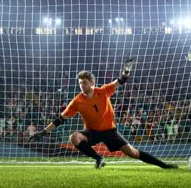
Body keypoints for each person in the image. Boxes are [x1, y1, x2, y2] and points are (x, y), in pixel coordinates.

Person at [29, 59, 178, 170]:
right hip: (92, 132)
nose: (82, 85)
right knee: (74, 137)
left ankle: (164, 165)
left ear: (92, 83)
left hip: (109, 131)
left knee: (132, 152)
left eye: (85, 82)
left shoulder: (103, 91)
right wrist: (43, 133)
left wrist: (126, 69)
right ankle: (99, 158)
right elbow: (60, 119)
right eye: (80, 83)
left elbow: (121, 80)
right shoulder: (77, 101)